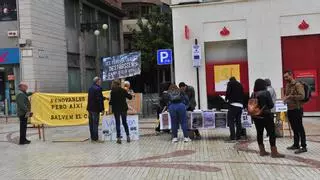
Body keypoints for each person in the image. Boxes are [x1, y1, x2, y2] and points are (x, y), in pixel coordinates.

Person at [252, 79, 284, 158]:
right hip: (266, 116)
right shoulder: (266, 92)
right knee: (271, 133)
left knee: (259, 133)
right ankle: (274, 152)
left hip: (256, 116)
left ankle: (262, 151)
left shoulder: (253, 94)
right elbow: (271, 105)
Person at [283, 70, 307, 154]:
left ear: (291, 75)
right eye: (284, 77)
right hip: (290, 109)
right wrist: (285, 100)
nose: (285, 78)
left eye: (287, 76)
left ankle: (303, 146)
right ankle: (296, 144)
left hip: (297, 109)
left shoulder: (298, 84)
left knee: (300, 127)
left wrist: (290, 96)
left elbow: (302, 96)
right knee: (294, 128)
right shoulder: (287, 85)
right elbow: (287, 96)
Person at [110, 80, 133, 144]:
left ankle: (119, 138)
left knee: (118, 123)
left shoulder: (112, 92)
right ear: (119, 84)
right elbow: (130, 97)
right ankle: (128, 136)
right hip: (123, 109)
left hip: (116, 109)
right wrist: (129, 93)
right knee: (124, 122)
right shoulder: (123, 90)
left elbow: (111, 102)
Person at [225, 77, 244, 142]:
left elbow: (228, 92)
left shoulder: (230, 83)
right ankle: (238, 137)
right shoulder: (240, 84)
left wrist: (226, 99)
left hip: (233, 105)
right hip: (240, 105)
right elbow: (243, 94)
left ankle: (232, 137)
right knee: (238, 121)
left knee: (231, 121)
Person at [87, 77, 105, 143]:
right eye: (100, 81)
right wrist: (102, 109)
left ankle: (92, 138)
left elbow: (95, 97)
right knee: (95, 124)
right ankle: (96, 139)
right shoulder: (98, 88)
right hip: (95, 109)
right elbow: (99, 100)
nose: (100, 82)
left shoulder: (90, 88)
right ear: (97, 81)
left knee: (91, 123)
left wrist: (105, 98)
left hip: (90, 108)